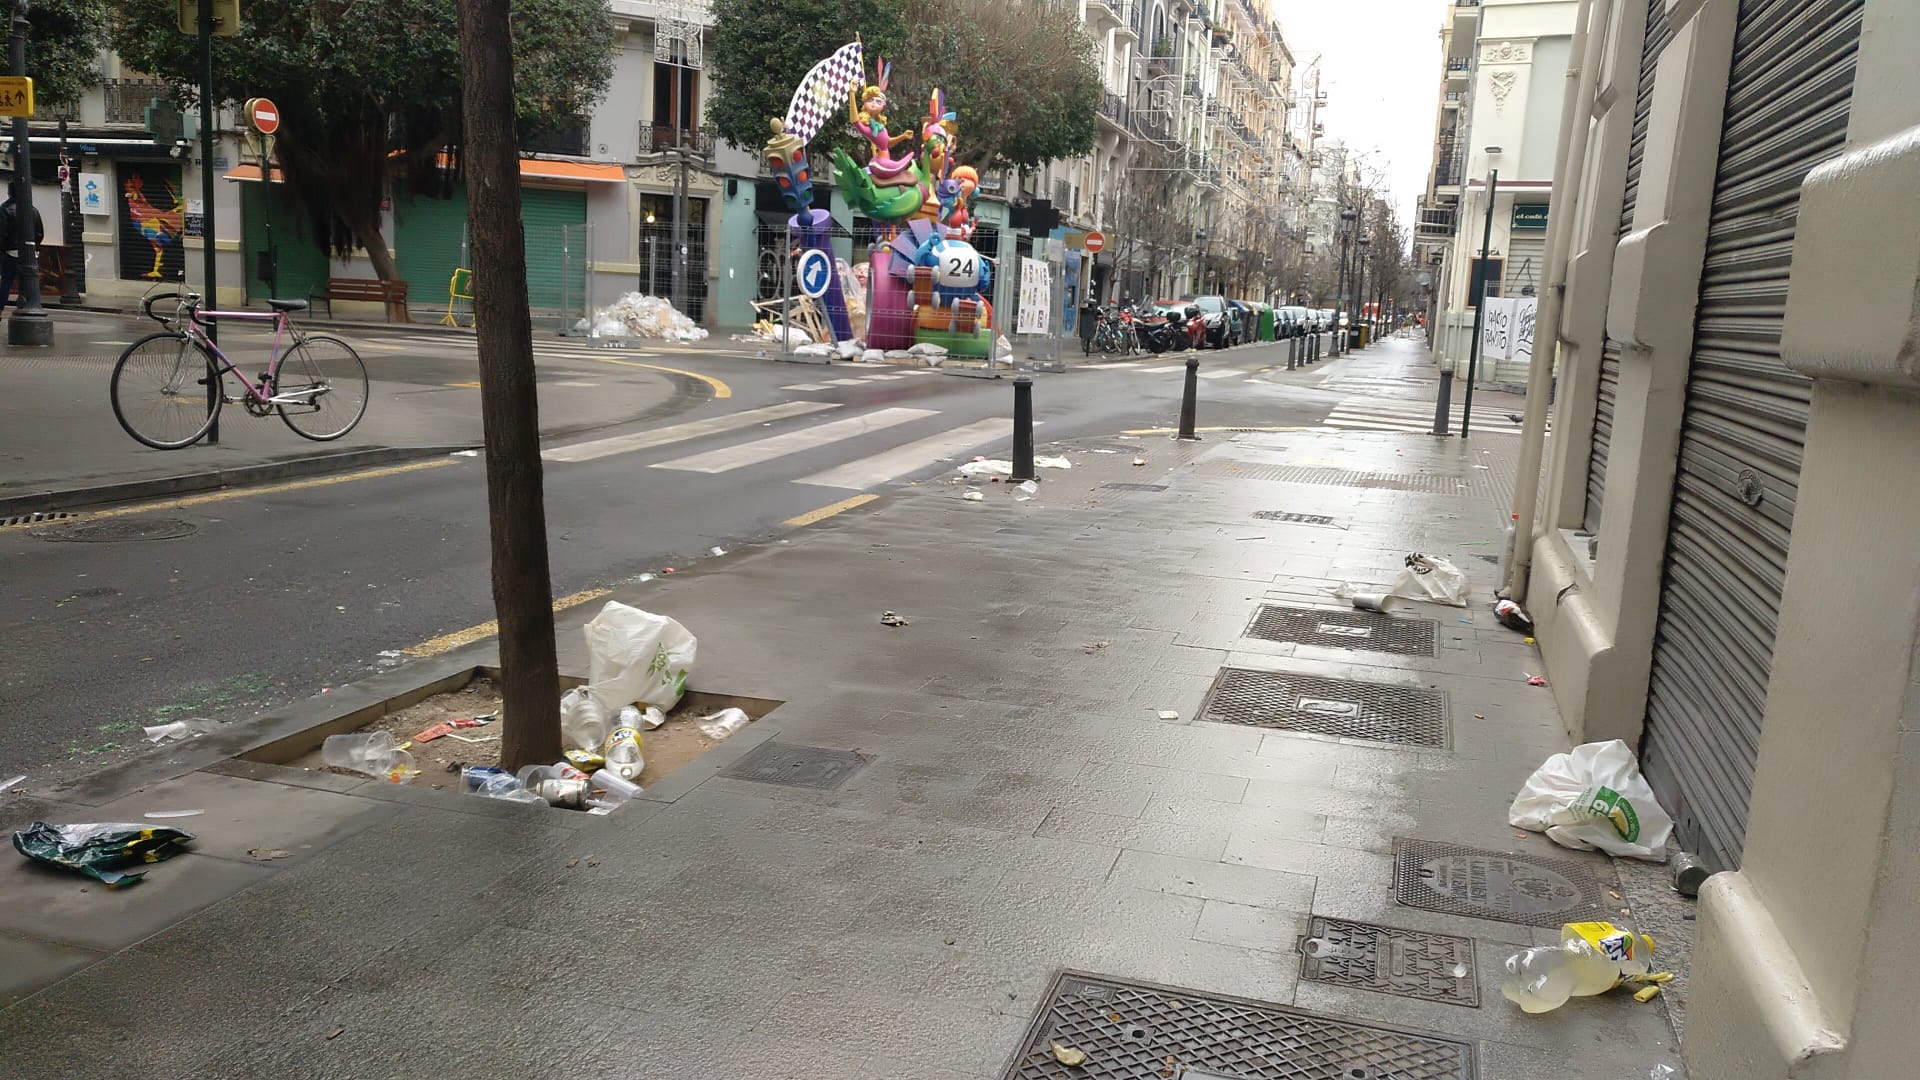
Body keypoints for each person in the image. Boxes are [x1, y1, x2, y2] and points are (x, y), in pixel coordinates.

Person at [1, 179, 45, 311]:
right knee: (28, 281)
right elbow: (39, 233)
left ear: (9, 192)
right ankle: (28, 304)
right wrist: (34, 247)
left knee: (6, 281)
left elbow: (2, 234)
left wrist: (3, 249)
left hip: (11, 251)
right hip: (31, 252)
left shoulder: (5, 209)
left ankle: (0, 309)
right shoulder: (33, 209)